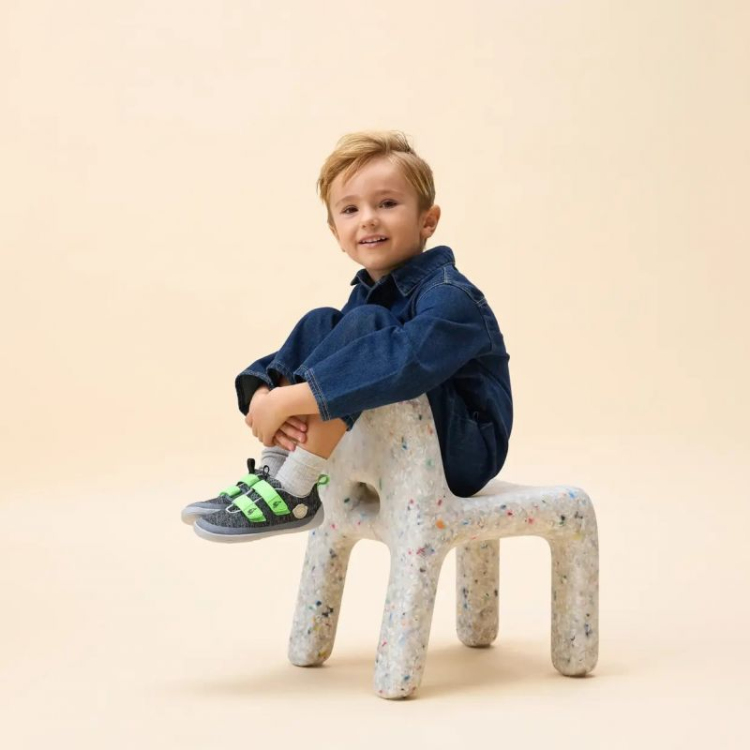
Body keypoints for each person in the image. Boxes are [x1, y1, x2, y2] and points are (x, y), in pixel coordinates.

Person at [182, 130, 513, 543]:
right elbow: (316, 356)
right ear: (336, 232)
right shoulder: (367, 297)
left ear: (427, 220)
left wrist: (289, 400)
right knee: (321, 322)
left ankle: (296, 485)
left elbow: (406, 362)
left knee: (365, 326)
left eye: (387, 204)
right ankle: (277, 471)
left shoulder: (450, 296)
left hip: (462, 453)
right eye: (350, 209)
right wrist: (263, 394)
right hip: (391, 443)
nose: (368, 219)